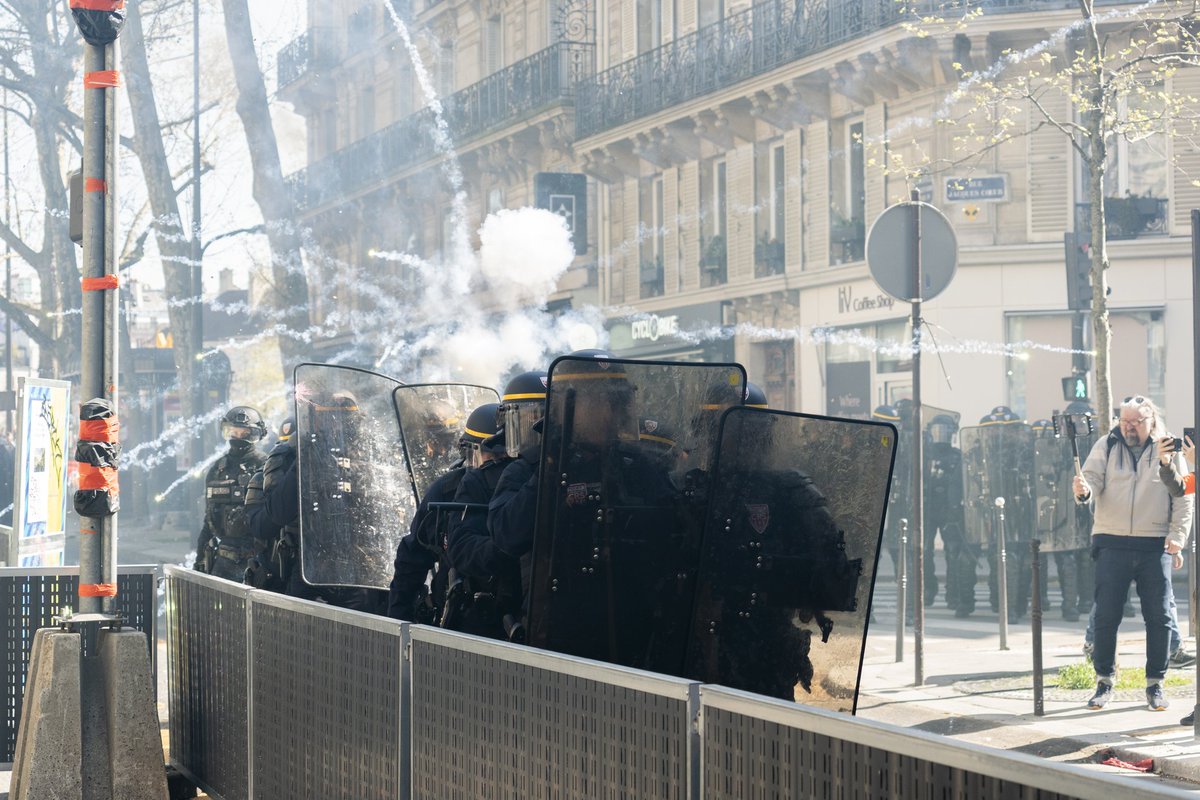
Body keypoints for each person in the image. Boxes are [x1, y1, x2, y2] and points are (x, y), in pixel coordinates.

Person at [1073, 395, 1193, 711]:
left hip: (1154, 543)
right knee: (1106, 615)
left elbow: (1184, 496)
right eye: (1123, 421)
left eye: (1134, 422)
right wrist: (1084, 491)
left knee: (1159, 617)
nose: (1127, 427)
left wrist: (1178, 536)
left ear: (1150, 420)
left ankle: (1155, 684)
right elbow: (1091, 480)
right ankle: (1104, 681)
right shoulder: (1106, 444)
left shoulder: (1168, 448)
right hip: (1111, 540)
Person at [386, 401, 502, 623]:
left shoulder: (526, 493)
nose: (492, 471)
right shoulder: (448, 490)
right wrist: (397, 620)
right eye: (486, 458)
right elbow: (412, 557)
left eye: (500, 460)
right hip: (457, 617)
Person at [196, 406, 269, 581]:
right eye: (234, 431)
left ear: (254, 434)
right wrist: (199, 559)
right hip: (223, 560)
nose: (238, 436)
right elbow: (209, 520)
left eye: (244, 432)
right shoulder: (217, 469)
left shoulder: (266, 465)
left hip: (257, 559)